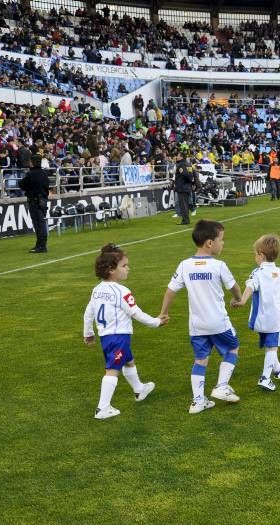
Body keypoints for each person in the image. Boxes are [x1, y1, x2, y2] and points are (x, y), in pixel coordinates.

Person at [160, 220, 244, 414]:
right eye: (221, 240)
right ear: (209, 243)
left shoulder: (185, 265)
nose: (223, 243)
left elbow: (170, 291)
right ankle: (222, 386)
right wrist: (238, 299)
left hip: (196, 325)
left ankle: (198, 401)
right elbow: (234, 287)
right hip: (218, 322)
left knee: (200, 359)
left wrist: (164, 313)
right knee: (233, 347)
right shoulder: (219, 266)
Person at [83, 244, 165, 419]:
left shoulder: (97, 290)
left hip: (106, 336)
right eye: (124, 266)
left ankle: (139, 389)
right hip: (118, 336)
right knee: (113, 370)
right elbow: (136, 313)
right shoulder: (122, 291)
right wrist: (156, 322)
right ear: (112, 269)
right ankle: (102, 408)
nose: (128, 269)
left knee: (128, 360)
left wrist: (88, 332)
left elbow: (88, 312)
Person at [236, 234, 280, 392]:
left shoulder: (257, 273)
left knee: (270, 346)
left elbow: (250, 287)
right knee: (272, 348)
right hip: (274, 318)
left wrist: (242, 300)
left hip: (259, 319)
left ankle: (278, 368)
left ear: (261, 255)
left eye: (255, 253)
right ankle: (265, 378)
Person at [19, 154, 49, 253]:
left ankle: (41, 246)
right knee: (41, 223)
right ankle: (40, 244)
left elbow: (22, 185)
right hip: (43, 200)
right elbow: (46, 187)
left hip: (34, 201)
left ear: (32, 162)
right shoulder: (44, 173)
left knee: (38, 224)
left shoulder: (31, 174)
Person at [173, 151, 194, 225]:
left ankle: (185, 220)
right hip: (187, 187)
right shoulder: (189, 164)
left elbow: (186, 175)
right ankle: (186, 219)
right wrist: (191, 181)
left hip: (182, 187)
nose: (176, 157)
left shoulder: (181, 165)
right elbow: (191, 175)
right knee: (186, 204)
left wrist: (189, 179)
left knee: (183, 205)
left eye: (178, 155)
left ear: (181, 156)